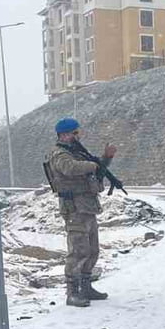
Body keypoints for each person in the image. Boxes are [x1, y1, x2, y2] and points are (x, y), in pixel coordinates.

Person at [46, 117, 118, 308]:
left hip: (87, 206)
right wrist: (92, 165)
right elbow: (69, 168)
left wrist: (106, 158)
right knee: (78, 251)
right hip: (74, 208)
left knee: (92, 249)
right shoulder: (59, 154)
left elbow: (96, 169)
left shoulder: (77, 152)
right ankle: (72, 292)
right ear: (64, 134)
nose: (79, 136)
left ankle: (86, 287)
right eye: (75, 133)